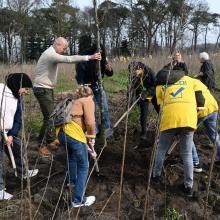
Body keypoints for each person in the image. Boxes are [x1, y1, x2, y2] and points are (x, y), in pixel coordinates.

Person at [33, 37, 101, 157]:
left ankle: (50, 139)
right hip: (42, 89)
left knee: (50, 115)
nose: (64, 51)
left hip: (46, 89)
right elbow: (69, 59)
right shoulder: (50, 54)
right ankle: (41, 145)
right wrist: (89, 57)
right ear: (57, 44)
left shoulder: (51, 53)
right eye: (64, 48)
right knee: (49, 117)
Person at [152, 69, 205, 197]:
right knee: (187, 153)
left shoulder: (161, 85)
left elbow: (159, 105)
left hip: (170, 119)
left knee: (161, 149)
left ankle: (156, 176)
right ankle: (188, 187)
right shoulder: (191, 80)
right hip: (188, 119)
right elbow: (201, 100)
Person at [0, 73, 39, 201]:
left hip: (7, 131)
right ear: (17, 85)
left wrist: (11, 135)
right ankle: (0, 190)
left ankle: (22, 172)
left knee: (17, 147)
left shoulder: (18, 99)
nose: (26, 92)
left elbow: (18, 120)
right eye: (25, 88)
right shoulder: (1, 91)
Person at [57, 85, 97, 207]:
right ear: (91, 95)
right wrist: (92, 137)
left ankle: (72, 182)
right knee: (84, 166)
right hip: (73, 135)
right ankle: (78, 200)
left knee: (73, 157)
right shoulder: (88, 100)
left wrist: (89, 144)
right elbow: (90, 122)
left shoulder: (76, 102)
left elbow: (79, 123)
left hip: (62, 133)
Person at [76, 44, 113, 137]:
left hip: (99, 87)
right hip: (88, 88)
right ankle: (94, 131)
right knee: (91, 111)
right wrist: (81, 85)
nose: (99, 53)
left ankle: (107, 130)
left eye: (101, 52)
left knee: (104, 109)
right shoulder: (86, 57)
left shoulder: (102, 58)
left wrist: (110, 69)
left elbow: (109, 73)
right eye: (97, 51)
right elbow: (79, 73)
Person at [191, 81, 219, 172]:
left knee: (187, 136)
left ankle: (196, 164)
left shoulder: (183, 84)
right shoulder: (196, 81)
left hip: (202, 111)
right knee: (214, 135)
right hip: (213, 107)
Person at [128, 61, 159, 140]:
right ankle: (144, 133)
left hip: (153, 93)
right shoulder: (133, 76)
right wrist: (131, 101)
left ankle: (164, 128)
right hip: (142, 96)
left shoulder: (149, 72)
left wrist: (147, 92)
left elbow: (155, 85)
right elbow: (132, 88)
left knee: (159, 110)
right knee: (143, 113)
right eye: (131, 71)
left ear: (140, 69)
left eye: (134, 71)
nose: (133, 73)